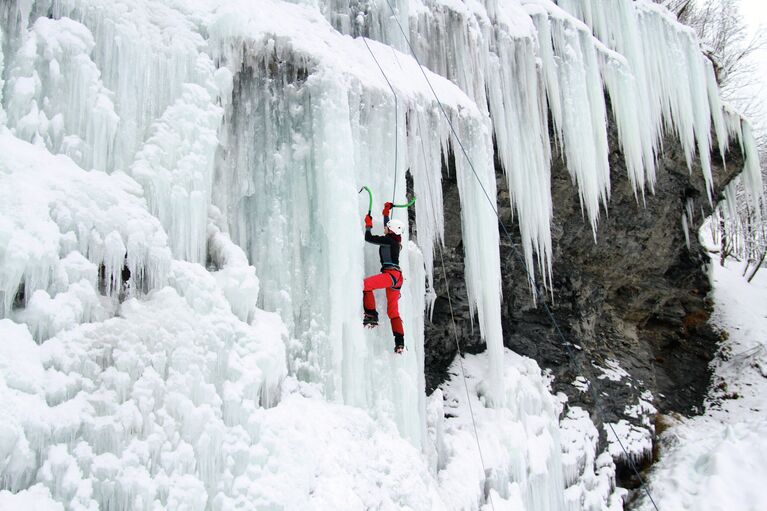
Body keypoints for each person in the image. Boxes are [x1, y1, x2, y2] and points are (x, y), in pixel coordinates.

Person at [363, 201, 405, 354]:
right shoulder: (395, 241)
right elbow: (389, 227)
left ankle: (371, 315)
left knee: (365, 285)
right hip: (397, 278)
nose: (386, 228)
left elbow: (369, 238)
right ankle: (400, 343)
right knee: (393, 313)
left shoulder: (388, 240)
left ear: (391, 230)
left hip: (391, 275)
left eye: (387, 227)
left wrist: (368, 224)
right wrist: (386, 213)